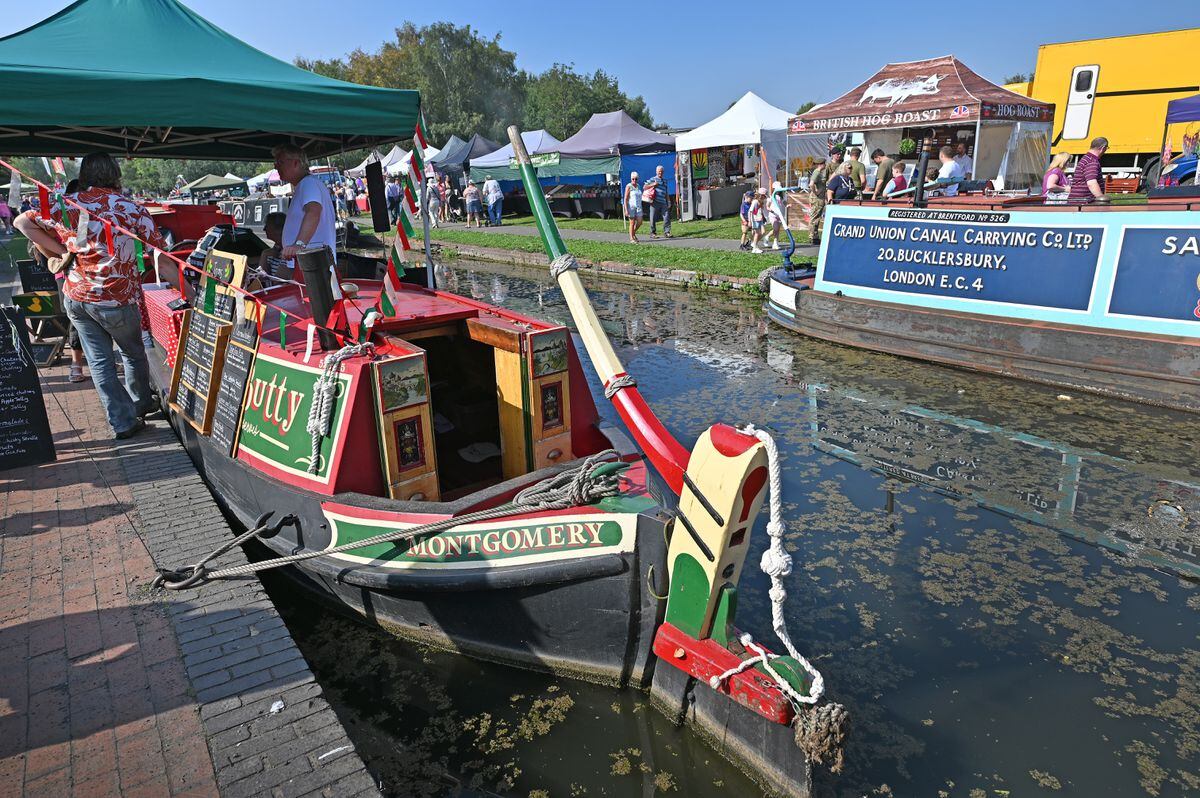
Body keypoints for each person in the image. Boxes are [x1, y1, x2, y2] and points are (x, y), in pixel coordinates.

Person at [14, 153, 163, 439]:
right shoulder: (130, 208)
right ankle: (142, 404)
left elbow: (22, 222)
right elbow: (160, 252)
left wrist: (62, 252)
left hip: (78, 295)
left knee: (99, 362)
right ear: (115, 174)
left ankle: (122, 421)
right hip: (115, 297)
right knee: (132, 353)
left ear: (83, 175)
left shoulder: (66, 205)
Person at [273, 144, 338, 276]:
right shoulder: (306, 184)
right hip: (308, 263)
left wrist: (299, 245)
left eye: (280, 162)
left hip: (313, 266)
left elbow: (313, 212)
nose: (276, 166)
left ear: (296, 163)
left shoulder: (308, 184)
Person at [1068, 137, 1109, 204]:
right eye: (1106, 148)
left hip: (1078, 201)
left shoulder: (1086, 158)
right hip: (1083, 203)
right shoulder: (1091, 161)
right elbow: (1092, 183)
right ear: (1102, 148)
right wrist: (1101, 198)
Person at [257, 211, 291, 280]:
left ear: (278, 229)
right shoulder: (276, 248)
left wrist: (265, 254)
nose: (264, 229)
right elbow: (261, 278)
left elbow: (277, 282)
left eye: (267, 225)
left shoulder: (289, 252)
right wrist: (265, 254)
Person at [643, 164, 671, 239]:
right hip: (654, 201)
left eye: (661, 172)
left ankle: (667, 232)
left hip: (663, 202)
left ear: (663, 172)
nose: (660, 173)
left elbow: (666, 191)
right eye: (659, 172)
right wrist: (653, 184)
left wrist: (668, 200)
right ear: (656, 171)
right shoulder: (653, 179)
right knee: (653, 218)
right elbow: (644, 187)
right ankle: (652, 233)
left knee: (666, 216)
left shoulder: (665, 181)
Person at [624, 172, 644, 243]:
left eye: (636, 179)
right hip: (631, 207)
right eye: (633, 179)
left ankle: (633, 233)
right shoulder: (628, 186)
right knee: (632, 222)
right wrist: (626, 210)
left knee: (640, 221)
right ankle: (631, 238)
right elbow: (626, 199)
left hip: (638, 206)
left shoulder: (638, 186)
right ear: (631, 179)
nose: (634, 180)